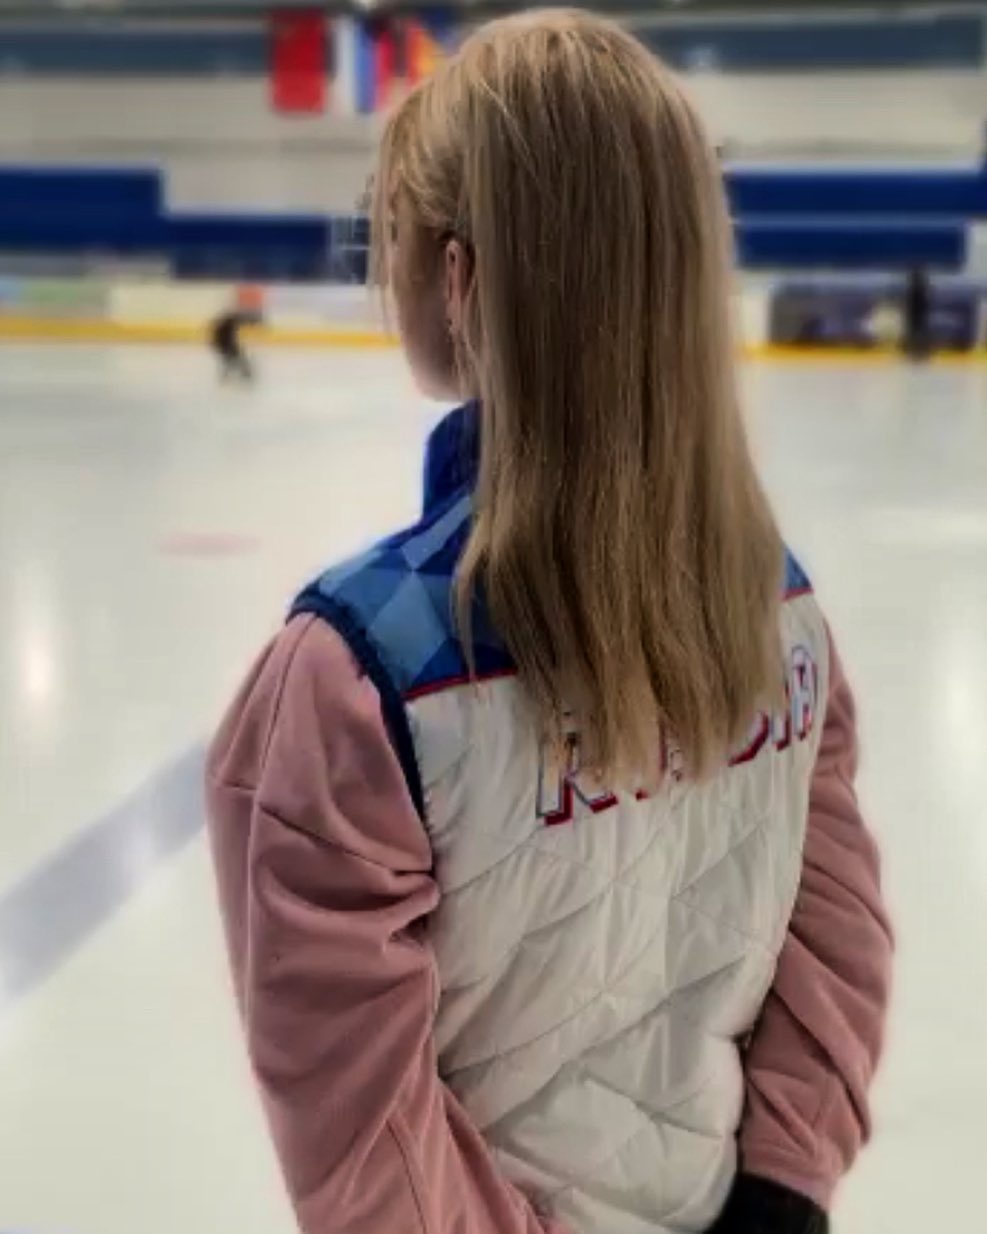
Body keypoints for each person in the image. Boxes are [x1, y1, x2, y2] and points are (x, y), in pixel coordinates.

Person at [206, 12, 892, 1234]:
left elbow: (365, 1149)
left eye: (397, 235)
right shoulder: (780, 608)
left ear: (460, 281)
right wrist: (782, 1192)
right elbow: (839, 944)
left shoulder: (357, 676)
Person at [209, 285, 263, 382]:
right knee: (236, 358)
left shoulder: (229, 319)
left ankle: (240, 373)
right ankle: (244, 373)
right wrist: (254, 320)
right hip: (224, 342)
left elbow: (243, 320)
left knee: (235, 358)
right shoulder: (230, 320)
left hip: (225, 342)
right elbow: (243, 319)